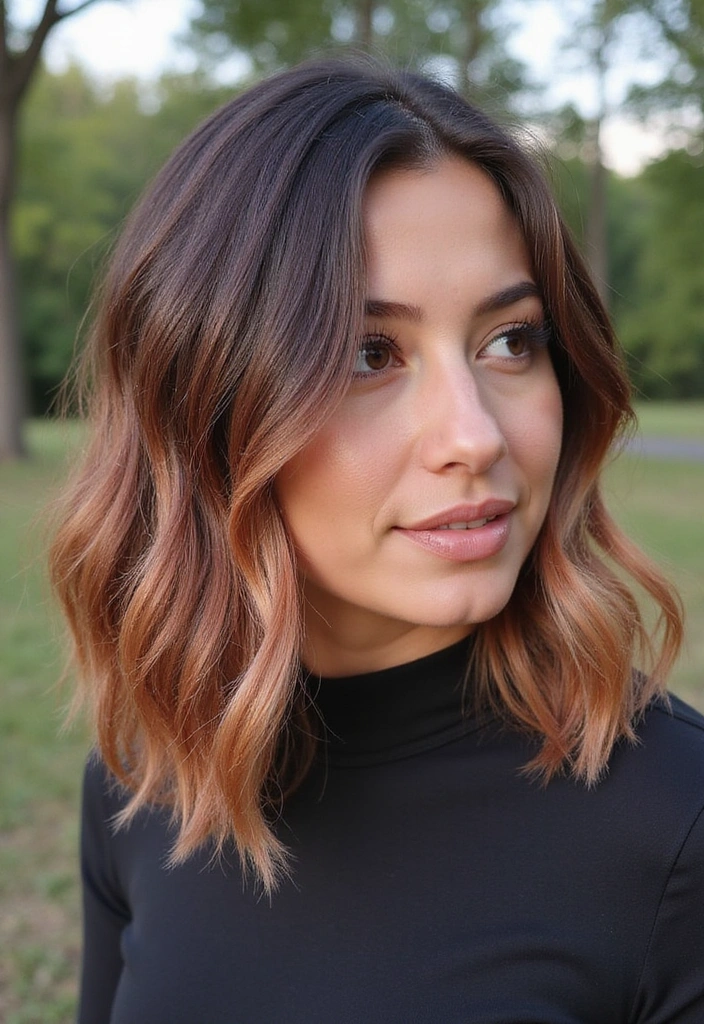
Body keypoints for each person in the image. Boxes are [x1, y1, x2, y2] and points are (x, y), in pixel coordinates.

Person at [50, 55, 704, 1024]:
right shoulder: (144, 776)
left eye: (510, 341)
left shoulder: (675, 826)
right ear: (203, 402)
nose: (474, 436)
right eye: (369, 353)